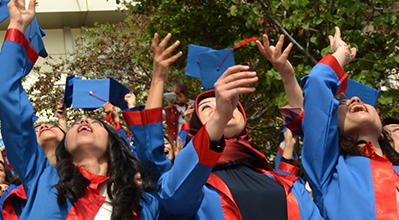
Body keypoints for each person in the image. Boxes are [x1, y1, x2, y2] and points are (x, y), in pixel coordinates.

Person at [0, 0, 161, 220]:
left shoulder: (144, 203)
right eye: (77, 124)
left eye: (96, 122)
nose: (83, 120)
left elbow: (158, 162)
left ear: (113, 142)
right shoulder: (41, 178)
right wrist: (16, 26)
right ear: (63, 148)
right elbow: (5, 96)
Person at [134, 31, 322, 220]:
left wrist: (288, 76)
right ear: (198, 126)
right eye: (208, 107)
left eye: (228, 103)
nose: (221, 107)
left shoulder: (288, 184)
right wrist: (158, 79)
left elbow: (308, 129)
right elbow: (151, 153)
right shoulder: (185, 186)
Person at [302, 27, 399, 219]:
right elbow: (317, 83)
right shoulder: (329, 173)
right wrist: (341, 54)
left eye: (362, 102)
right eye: (342, 104)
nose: (354, 99)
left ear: (383, 132)